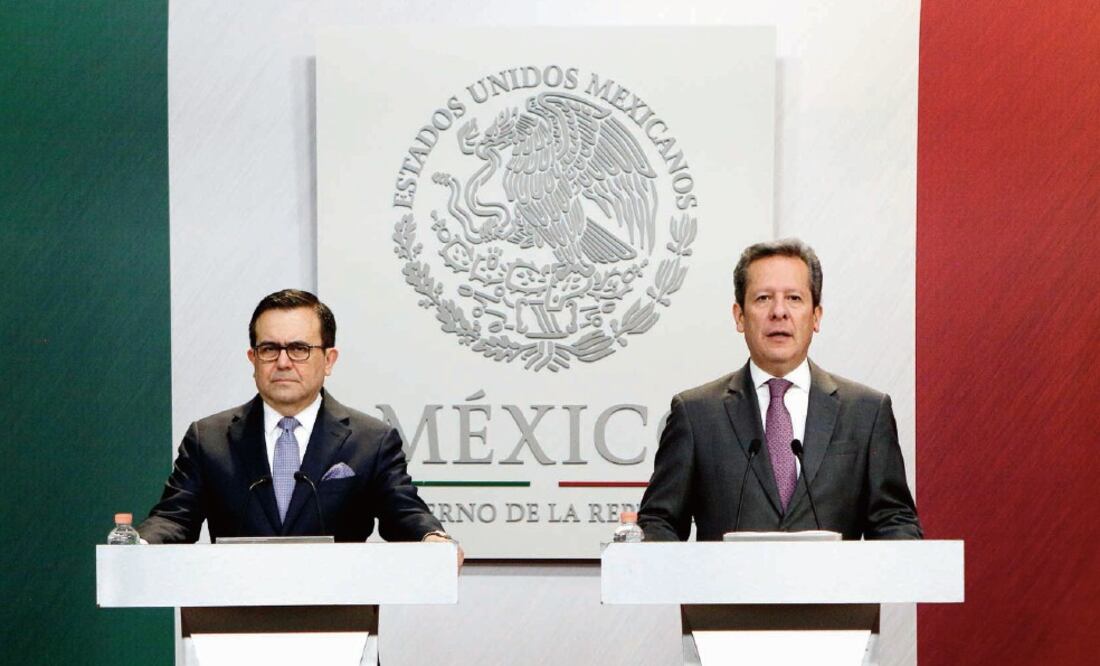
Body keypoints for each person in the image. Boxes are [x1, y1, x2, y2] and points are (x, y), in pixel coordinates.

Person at [138, 289, 461, 561]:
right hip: (232, 616)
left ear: (329, 359)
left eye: (299, 349)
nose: (282, 362)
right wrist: (140, 544)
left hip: (338, 615)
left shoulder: (370, 440)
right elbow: (174, 517)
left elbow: (402, 512)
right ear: (253, 358)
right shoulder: (208, 438)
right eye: (269, 349)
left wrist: (431, 537)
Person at [638, 239, 922, 541]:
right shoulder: (696, 414)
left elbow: (895, 522)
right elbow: (659, 522)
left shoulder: (866, 412)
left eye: (794, 299)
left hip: (833, 588)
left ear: (816, 317)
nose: (779, 312)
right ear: (739, 316)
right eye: (762, 298)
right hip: (725, 588)